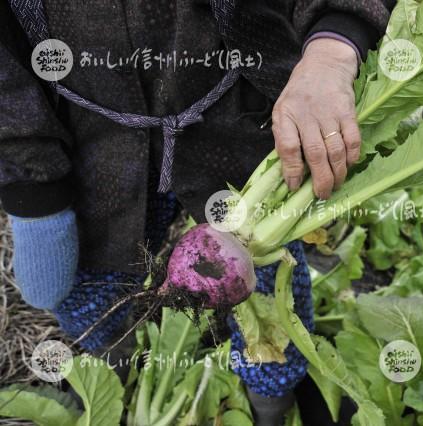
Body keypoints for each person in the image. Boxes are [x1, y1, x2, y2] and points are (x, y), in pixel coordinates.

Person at [0, 0, 393, 424]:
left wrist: (332, 47)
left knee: (271, 303)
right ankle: (114, 367)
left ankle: (272, 402)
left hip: (240, 119)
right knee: (91, 289)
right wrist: (32, 187)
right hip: (89, 137)